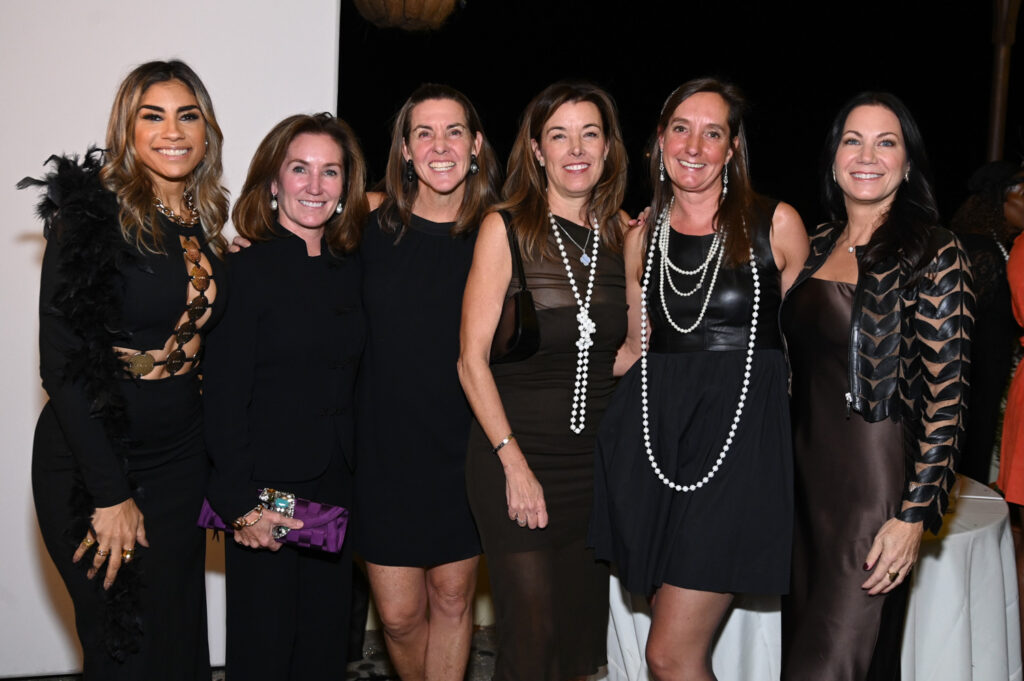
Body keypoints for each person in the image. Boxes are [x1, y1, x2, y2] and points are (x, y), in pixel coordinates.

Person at [589, 78, 808, 681]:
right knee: (669, 645)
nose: (694, 146)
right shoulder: (642, 236)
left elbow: (809, 350)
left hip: (739, 451)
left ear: (732, 148)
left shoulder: (776, 224)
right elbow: (634, 349)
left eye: (713, 133)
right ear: (660, 139)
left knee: (668, 655)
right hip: (655, 450)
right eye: (681, 129)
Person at [25, 60, 227, 679]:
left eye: (188, 115)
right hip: (95, 464)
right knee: (124, 646)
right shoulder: (89, 216)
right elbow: (62, 365)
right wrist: (111, 494)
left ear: (206, 129)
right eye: (153, 116)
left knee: (178, 636)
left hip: (180, 460)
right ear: (127, 130)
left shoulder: (205, 222)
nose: (173, 131)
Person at [780, 92, 974, 681]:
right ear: (833, 157)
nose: (867, 156)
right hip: (801, 491)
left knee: (837, 664)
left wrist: (913, 516)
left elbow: (948, 399)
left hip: (873, 492)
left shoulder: (934, 250)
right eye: (853, 141)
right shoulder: (815, 244)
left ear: (908, 163)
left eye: (886, 143)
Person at [458, 81, 629, 681]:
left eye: (589, 134)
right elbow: (470, 361)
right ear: (536, 150)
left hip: (593, 470)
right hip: (515, 459)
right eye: (559, 135)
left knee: (580, 653)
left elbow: (620, 355)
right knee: (530, 645)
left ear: (608, 148)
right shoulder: (504, 228)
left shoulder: (623, 235)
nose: (575, 149)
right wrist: (514, 463)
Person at [202, 113, 369, 678]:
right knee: (265, 648)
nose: (315, 185)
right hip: (266, 491)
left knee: (322, 647)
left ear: (346, 186)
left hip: (335, 485)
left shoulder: (353, 267)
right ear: (274, 182)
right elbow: (223, 398)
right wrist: (242, 506)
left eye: (331, 171)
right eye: (300, 169)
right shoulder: (243, 271)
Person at [353, 84, 500, 681]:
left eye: (454, 131)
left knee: (453, 600)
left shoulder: (498, 232)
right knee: (397, 617)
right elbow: (296, 233)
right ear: (406, 150)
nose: (440, 146)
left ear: (476, 145)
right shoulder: (367, 221)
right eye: (424, 133)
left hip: (463, 449)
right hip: (381, 450)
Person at [951, 162, 1024, 482]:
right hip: (971, 380)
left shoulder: (997, 247)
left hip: (985, 375)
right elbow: (961, 322)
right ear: (999, 200)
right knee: (969, 464)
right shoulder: (978, 248)